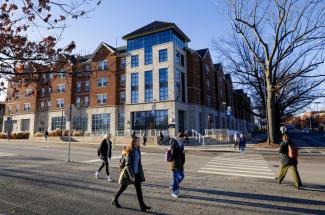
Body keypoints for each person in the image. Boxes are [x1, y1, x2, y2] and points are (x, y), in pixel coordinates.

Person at [111, 136, 151, 212]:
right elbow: (128, 165)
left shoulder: (138, 149)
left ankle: (142, 206)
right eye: (138, 141)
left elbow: (138, 163)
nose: (139, 142)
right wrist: (132, 175)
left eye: (139, 141)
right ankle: (115, 199)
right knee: (123, 188)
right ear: (133, 142)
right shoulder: (129, 151)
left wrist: (140, 172)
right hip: (129, 174)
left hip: (137, 173)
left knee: (139, 190)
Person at [170, 132, 186, 198]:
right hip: (175, 163)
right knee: (177, 178)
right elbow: (172, 153)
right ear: (180, 137)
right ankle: (174, 192)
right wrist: (181, 152)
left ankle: (173, 185)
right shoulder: (174, 143)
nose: (184, 138)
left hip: (180, 163)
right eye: (183, 137)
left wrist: (183, 156)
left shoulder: (181, 144)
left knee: (181, 176)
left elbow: (182, 154)